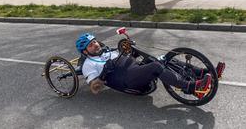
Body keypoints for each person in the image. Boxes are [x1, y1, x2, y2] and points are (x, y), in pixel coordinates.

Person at [76, 33, 224, 97]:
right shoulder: (88, 65)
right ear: (85, 51)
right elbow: (95, 89)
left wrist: (130, 49)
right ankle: (192, 88)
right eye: (90, 45)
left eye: (94, 41)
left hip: (135, 69)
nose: (95, 45)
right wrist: (103, 74)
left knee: (165, 59)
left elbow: (128, 56)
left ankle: (206, 73)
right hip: (126, 80)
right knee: (156, 66)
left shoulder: (106, 51)